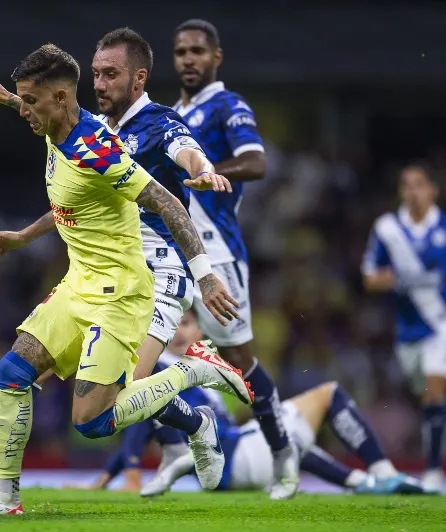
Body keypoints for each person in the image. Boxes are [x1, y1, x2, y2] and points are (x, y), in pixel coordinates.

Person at [0, 43, 254, 516]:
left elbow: (167, 202)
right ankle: (3, 496)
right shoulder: (54, 121)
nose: (25, 111)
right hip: (79, 286)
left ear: (58, 98)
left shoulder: (100, 150)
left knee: (91, 423)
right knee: (15, 369)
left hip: (121, 295)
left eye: (31, 102)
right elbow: (67, 194)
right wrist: (2, 98)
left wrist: (208, 277)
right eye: (22, 101)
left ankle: (192, 371)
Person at [81, 312, 428, 497]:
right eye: (175, 323)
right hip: (234, 455)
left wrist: (108, 476)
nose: (179, 331)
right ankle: (382, 473)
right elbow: (141, 417)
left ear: (202, 329)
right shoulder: (159, 367)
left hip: (233, 461)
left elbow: (147, 416)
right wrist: (126, 470)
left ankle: (366, 483)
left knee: (287, 445)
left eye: (187, 323)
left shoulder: (194, 367)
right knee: (329, 395)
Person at [170, 19, 298, 499]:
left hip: (216, 252)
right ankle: (180, 441)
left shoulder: (228, 105)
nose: (188, 59)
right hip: (168, 250)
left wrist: (207, 172)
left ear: (215, 57)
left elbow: (257, 162)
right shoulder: (169, 114)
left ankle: (284, 456)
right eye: (181, 51)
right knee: (139, 349)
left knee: (240, 358)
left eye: (198, 51)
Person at [361, 163, 446, 493]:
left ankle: (432, 472)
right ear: (401, 191)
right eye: (407, 185)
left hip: (441, 324)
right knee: (432, 402)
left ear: (432, 190)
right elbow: (369, 277)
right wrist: (384, 280)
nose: (413, 191)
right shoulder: (387, 229)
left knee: (434, 395)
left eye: (419, 184)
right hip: (407, 330)